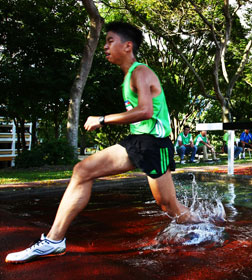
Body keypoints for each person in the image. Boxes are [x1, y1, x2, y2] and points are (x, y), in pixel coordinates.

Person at [5, 21, 199, 264]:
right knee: (82, 171)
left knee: (169, 206)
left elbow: (146, 111)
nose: (105, 47)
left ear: (127, 46)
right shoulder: (129, 75)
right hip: (137, 141)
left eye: (110, 41)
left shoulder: (141, 72)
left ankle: (205, 229)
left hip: (153, 144)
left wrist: (103, 119)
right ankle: (54, 241)